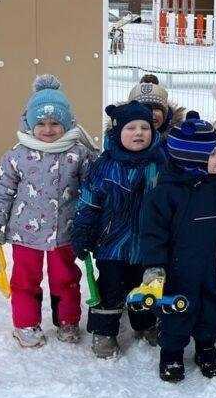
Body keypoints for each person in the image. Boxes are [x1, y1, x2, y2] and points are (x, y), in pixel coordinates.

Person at [0, 75, 96, 348]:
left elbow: (93, 189)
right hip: (25, 233)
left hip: (64, 232)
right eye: (41, 123)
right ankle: (25, 323)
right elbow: (1, 193)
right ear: (30, 124)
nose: (48, 129)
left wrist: (92, 224)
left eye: (55, 122)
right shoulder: (16, 156)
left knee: (66, 278)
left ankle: (67, 320)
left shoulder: (78, 153)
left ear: (67, 123)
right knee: (25, 279)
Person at [138, 112, 216, 382]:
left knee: (212, 307)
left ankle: (206, 346)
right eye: (215, 154)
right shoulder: (164, 194)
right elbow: (153, 234)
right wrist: (155, 267)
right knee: (177, 311)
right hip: (178, 270)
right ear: (196, 160)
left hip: (213, 266)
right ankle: (171, 352)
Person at [71, 101, 166, 359]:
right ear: (116, 133)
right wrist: (83, 230)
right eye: (131, 128)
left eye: (144, 128)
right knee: (110, 289)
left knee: (145, 287)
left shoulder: (161, 163)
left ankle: (146, 324)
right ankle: (104, 331)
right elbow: (89, 201)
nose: (138, 133)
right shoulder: (105, 165)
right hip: (112, 243)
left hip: (149, 245)